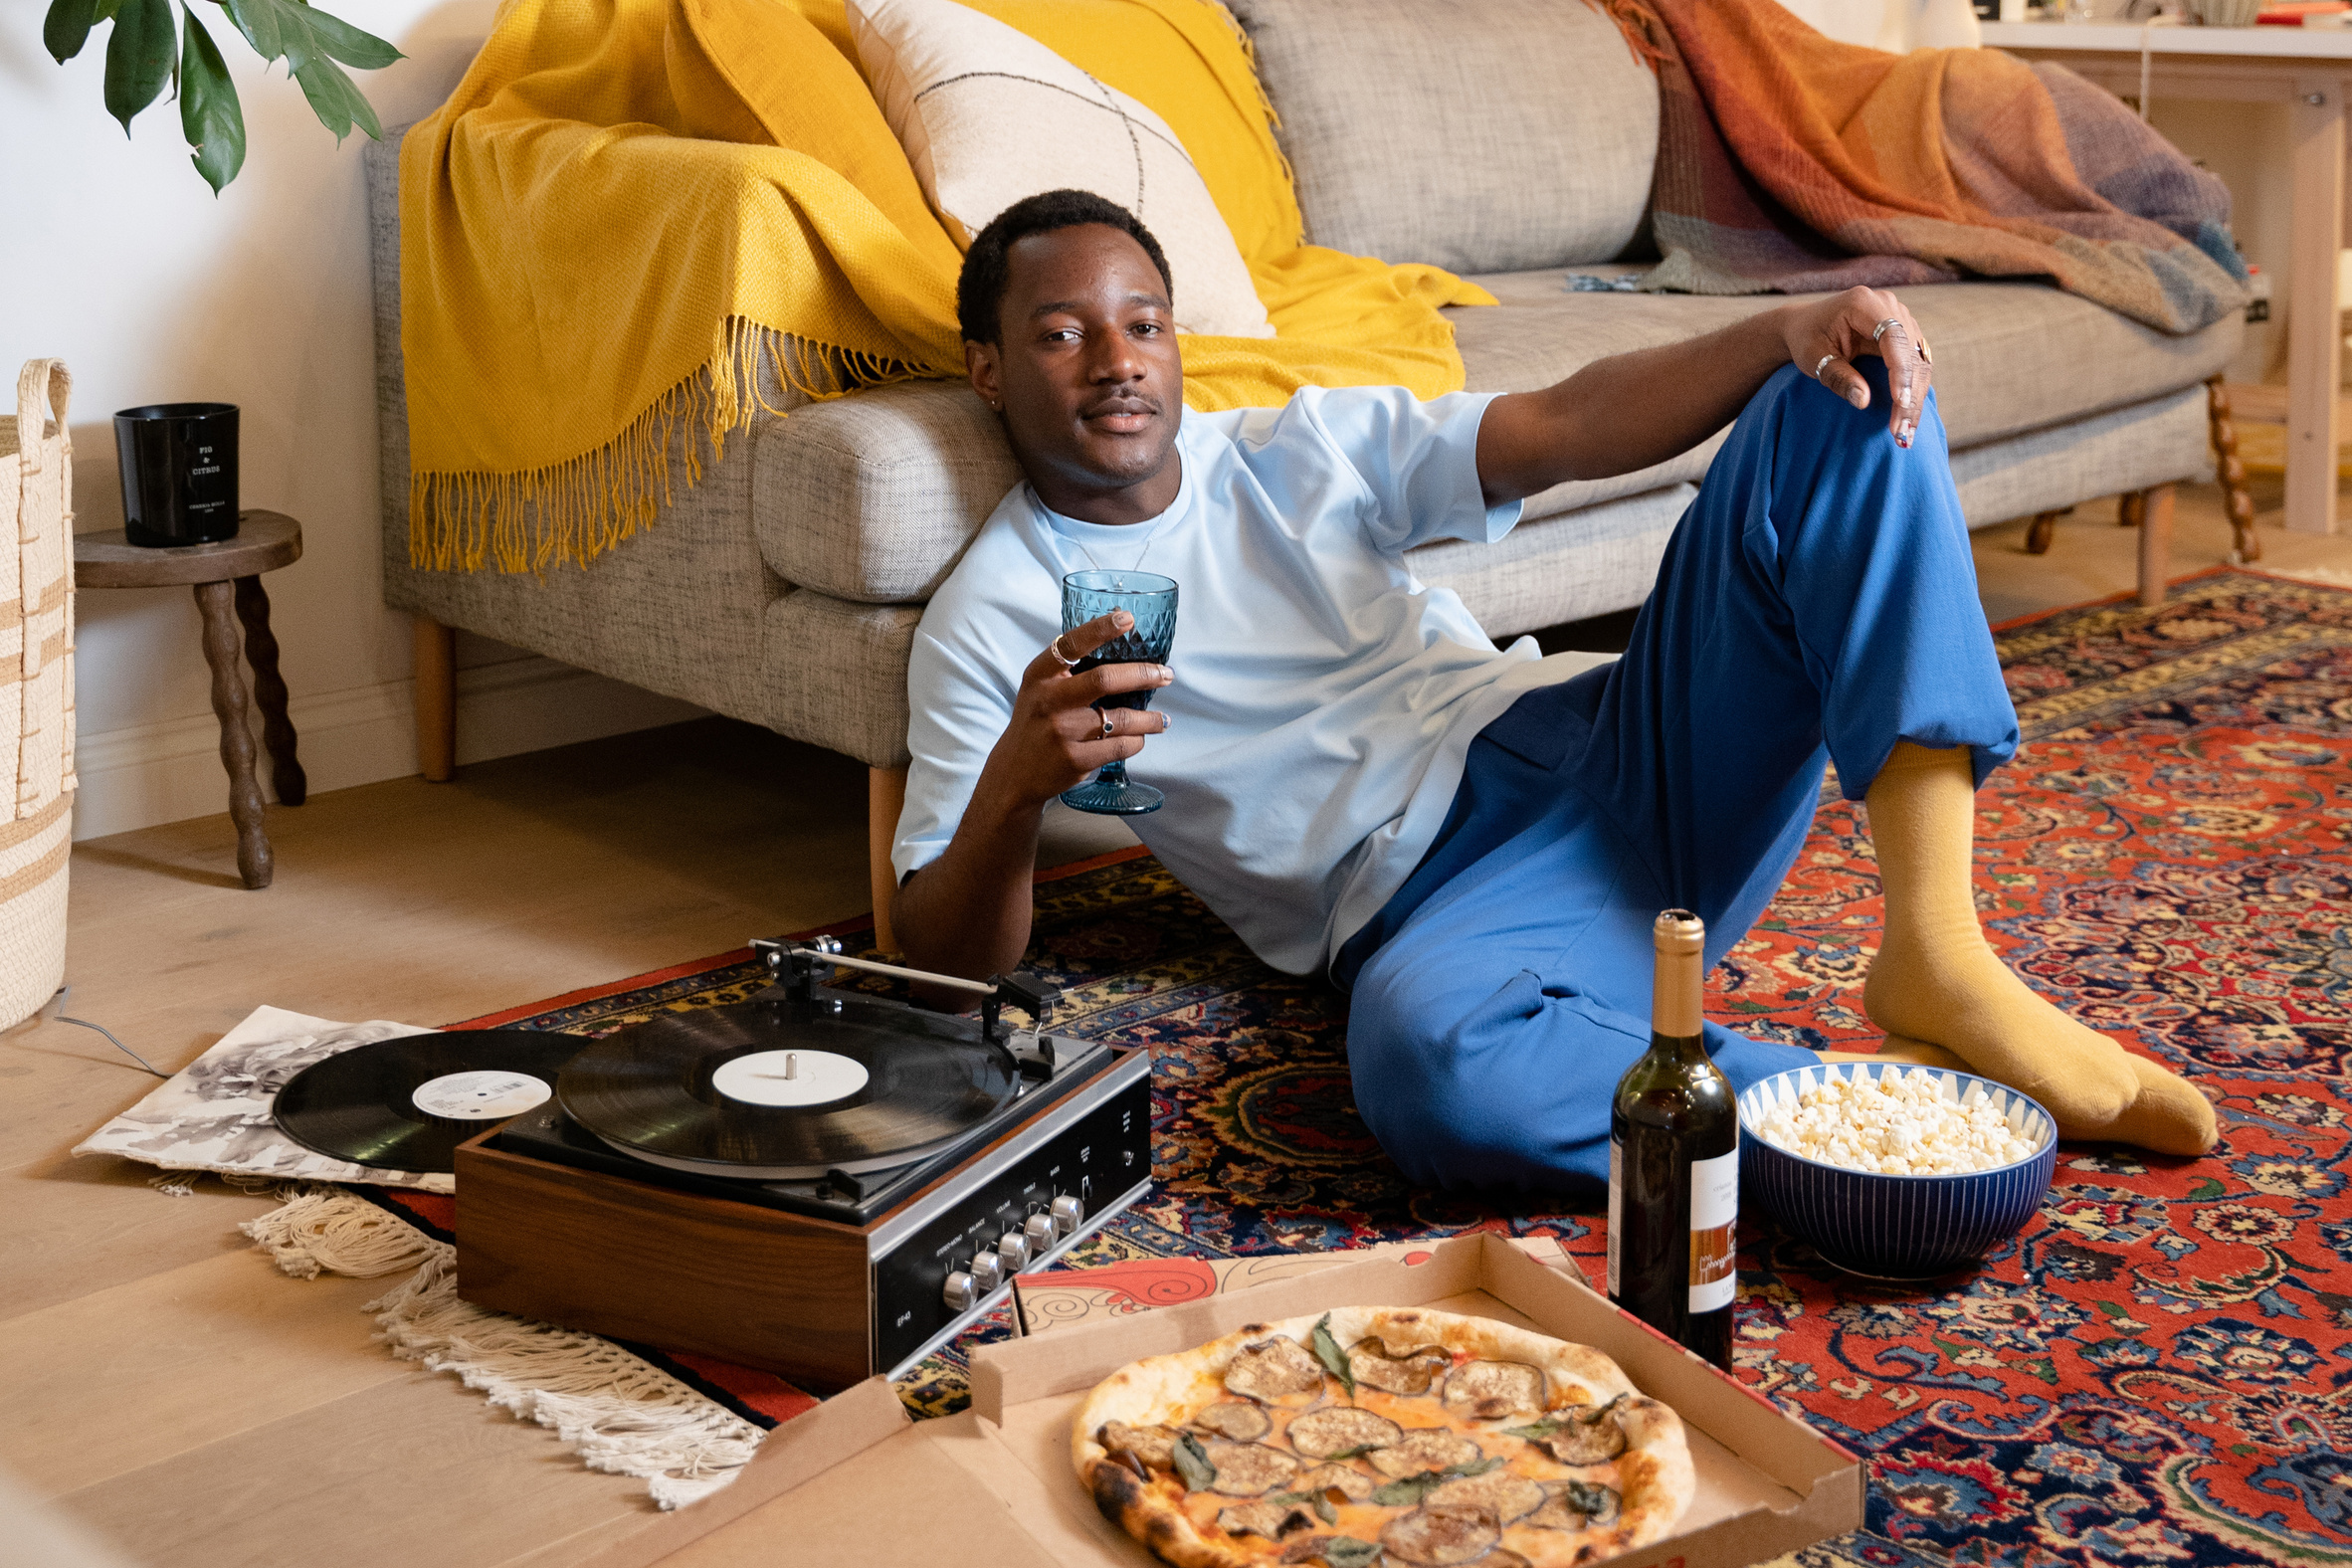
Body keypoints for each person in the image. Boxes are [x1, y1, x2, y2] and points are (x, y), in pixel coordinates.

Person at [890, 188, 2216, 1192]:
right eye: (1061, 335)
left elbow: (1564, 426)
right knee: (1429, 1070)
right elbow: (937, 962)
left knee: (1847, 385)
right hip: (1449, 915)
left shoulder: (1296, 452)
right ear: (989, 367)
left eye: (1144, 325)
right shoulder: (995, 615)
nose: (1117, 361)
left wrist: (1782, 328)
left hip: (1611, 749)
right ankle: (1874, 1108)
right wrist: (1014, 787)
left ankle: (1938, 947)